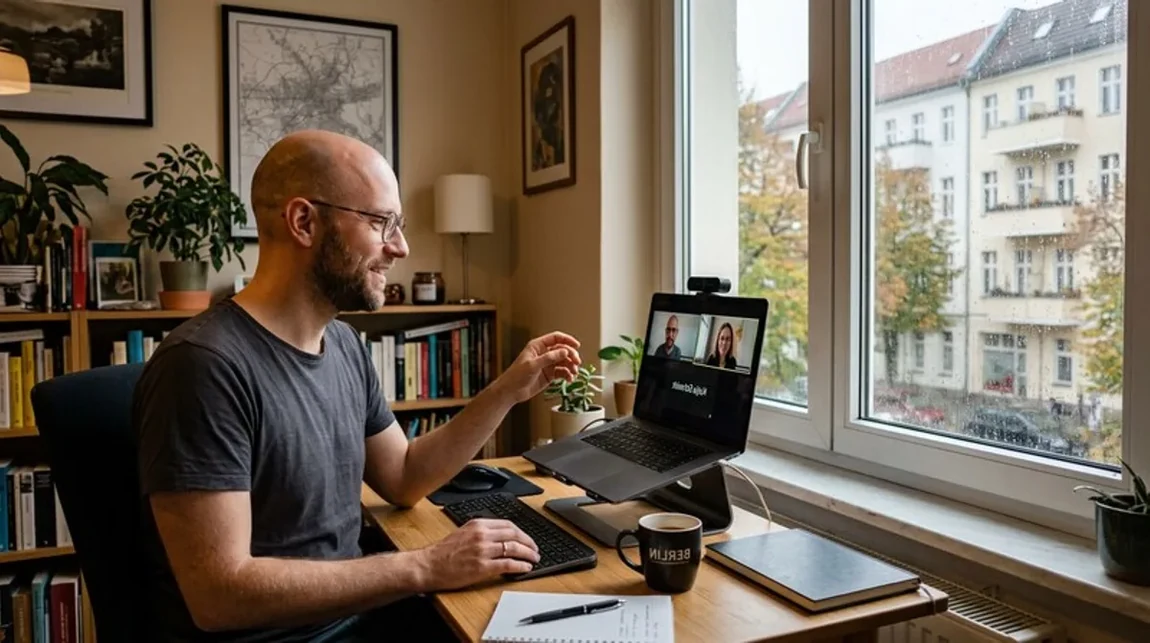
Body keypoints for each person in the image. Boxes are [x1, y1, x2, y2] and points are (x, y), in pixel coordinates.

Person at [132, 129, 583, 642]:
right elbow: (219, 594)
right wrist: (424, 566)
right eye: (381, 223)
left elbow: (405, 477)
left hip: (358, 617)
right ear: (304, 222)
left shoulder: (343, 345)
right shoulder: (203, 367)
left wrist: (508, 389)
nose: (401, 246)